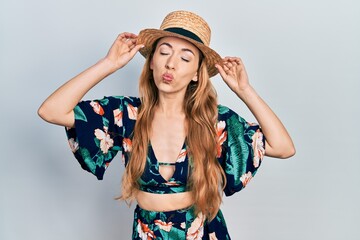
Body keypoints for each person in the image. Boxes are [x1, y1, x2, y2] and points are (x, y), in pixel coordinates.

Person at [38, 10, 295, 239]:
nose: (170, 63)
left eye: (185, 58)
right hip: (147, 231)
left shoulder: (213, 121)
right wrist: (109, 64)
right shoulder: (127, 115)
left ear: (197, 74)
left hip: (203, 231)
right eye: (163, 52)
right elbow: (51, 111)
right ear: (151, 62)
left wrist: (244, 90)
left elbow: (283, 147)